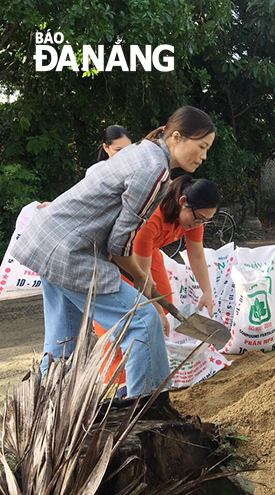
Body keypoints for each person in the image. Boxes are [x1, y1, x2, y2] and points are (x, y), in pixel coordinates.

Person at [12, 105, 216, 397]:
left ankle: (44, 408)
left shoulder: (142, 150)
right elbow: (120, 243)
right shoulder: (154, 170)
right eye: (201, 146)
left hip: (48, 241)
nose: (204, 156)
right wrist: (140, 278)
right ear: (176, 138)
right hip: (71, 252)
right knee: (144, 321)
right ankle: (147, 412)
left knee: (64, 341)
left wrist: (141, 277)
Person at [134, 176, 221, 335]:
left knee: (166, 299)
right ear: (183, 201)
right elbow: (142, 277)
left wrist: (207, 292)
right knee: (139, 312)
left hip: (150, 254)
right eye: (199, 218)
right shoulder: (152, 218)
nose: (198, 224)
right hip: (124, 258)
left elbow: (197, 256)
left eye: (205, 221)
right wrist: (157, 312)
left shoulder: (194, 217)